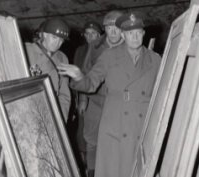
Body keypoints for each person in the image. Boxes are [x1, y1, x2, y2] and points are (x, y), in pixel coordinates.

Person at [58, 11, 161, 177]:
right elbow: (90, 84)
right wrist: (79, 76)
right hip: (115, 122)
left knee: (138, 169)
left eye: (138, 33)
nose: (134, 37)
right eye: (129, 33)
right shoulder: (109, 56)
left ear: (143, 34)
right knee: (113, 169)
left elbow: (163, 92)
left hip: (141, 124)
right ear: (123, 34)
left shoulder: (155, 60)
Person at [74, 11, 124, 177]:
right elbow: (85, 72)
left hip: (118, 103)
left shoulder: (131, 45)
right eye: (110, 27)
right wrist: (82, 99)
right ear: (105, 29)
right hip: (95, 101)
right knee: (91, 140)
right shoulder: (95, 46)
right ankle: (92, 172)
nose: (114, 31)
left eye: (117, 27)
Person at [25, 18, 71, 122]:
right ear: (44, 34)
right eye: (54, 37)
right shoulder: (27, 50)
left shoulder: (62, 58)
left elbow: (64, 93)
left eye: (61, 40)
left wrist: (61, 119)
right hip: (28, 108)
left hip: (51, 111)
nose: (57, 43)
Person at [72, 20, 102, 176]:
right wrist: (79, 100)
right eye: (87, 34)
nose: (90, 37)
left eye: (94, 34)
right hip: (83, 96)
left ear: (99, 35)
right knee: (82, 133)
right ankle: (86, 167)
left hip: (97, 98)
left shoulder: (102, 50)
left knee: (95, 136)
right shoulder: (80, 51)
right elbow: (78, 76)